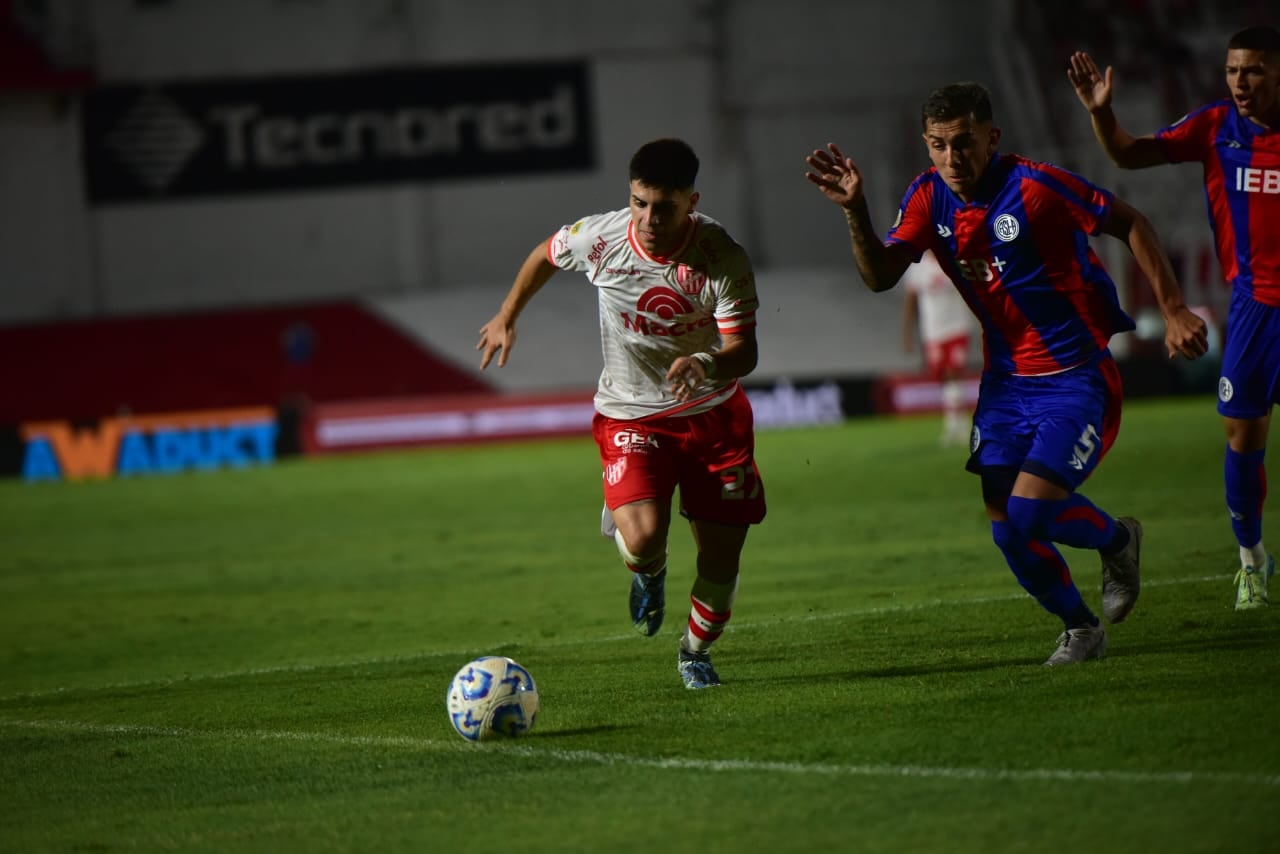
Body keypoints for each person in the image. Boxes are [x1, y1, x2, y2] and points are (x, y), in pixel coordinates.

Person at [804, 82, 1208, 665]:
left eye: (963, 143)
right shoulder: (925, 198)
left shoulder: (1037, 187)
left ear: (991, 137)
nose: (951, 159)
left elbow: (1132, 223)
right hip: (1005, 386)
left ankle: (1119, 541)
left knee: (1030, 511)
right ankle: (1081, 628)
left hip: (1075, 377)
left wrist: (1172, 309)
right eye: (938, 145)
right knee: (1007, 531)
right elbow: (879, 276)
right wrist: (855, 211)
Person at [477, 138, 766, 689]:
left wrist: (705, 362)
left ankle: (694, 653)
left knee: (721, 560)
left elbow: (745, 352)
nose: (649, 218)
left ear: (692, 201)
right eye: (639, 203)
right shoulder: (601, 238)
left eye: (664, 206)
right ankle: (647, 573)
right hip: (631, 414)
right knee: (646, 535)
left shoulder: (720, 257)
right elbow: (544, 253)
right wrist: (507, 314)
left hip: (713, 415)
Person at [1068, 25, 1280, 610]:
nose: (1241, 81)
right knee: (1242, 435)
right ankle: (1252, 562)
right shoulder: (1216, 128)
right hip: (1256, 308)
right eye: (1234, 69)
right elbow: (1128, 154)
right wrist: (1101, 115)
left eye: (1255, 70)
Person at [900, 249, 976, 447]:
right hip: (933, 331)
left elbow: (971, 291)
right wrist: (907, 333)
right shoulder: (917, 266)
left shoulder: (954, 259)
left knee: (954, 372)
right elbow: (910, 300)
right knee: (943, 377)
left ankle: (954, 426)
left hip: (957, 327)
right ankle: (957, 421)